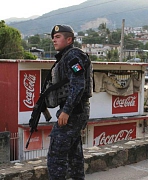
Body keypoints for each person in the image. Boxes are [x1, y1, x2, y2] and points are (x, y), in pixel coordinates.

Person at [46, 24, 93, 180]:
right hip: (76, 110)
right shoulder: (66, 57)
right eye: (53, 37)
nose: (54, 40)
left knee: (56, 156)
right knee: (74, 155)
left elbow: (78, 84)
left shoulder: (73, 57)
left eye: (58, 37)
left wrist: (66, 110)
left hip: (74, 111)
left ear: (69, 39)